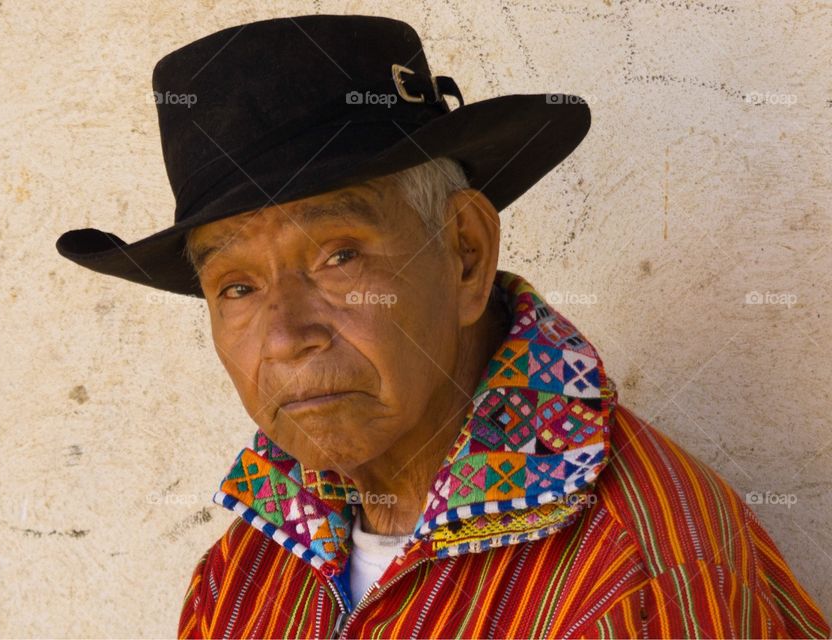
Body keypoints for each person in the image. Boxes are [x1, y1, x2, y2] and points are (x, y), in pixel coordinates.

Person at [55, 14, 829, 639]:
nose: (286, 335)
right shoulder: (247, 567)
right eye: (237, 287)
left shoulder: (638, 580)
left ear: (464, 253)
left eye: (338, 256)